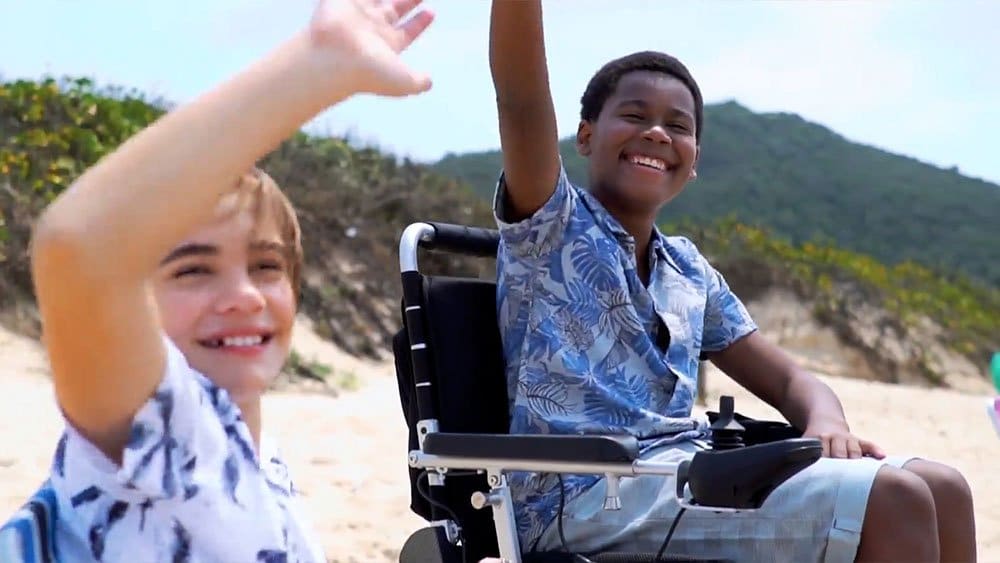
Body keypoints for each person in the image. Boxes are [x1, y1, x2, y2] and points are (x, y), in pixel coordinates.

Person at [486, 1, 977, 561]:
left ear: (693, 162)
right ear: (584, 135)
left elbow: (791, 379)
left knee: (945, 487)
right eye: (634, 116)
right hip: (578, 496)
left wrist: (825, 421)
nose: (656, 133)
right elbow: (520, 99)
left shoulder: (688, 271)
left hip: (677, 475)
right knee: (895, 496)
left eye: (677, 126)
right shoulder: (552, 226)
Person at [27, 0, 433, 560]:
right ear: (131, 302)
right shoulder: (153, 421)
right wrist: (316, 64)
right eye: (193, 269)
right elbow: (76, 246)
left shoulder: (253, 449)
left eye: (266, 266)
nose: (243, 296)